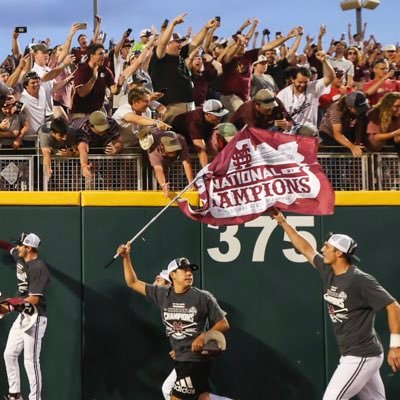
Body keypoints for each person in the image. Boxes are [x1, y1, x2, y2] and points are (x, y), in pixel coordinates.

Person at [270, 209, 400, 400]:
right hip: (358, 354)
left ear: (339, 253)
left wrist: (396, 346)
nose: (323, 249)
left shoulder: (359, 280)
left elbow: (393, 306)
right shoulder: (328, 271)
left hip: (361, 354)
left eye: (327, 247)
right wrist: (282, 222)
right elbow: (306, 248)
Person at [117, 244, 229, 400]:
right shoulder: (162, 294)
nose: (189, 273)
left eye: (191, 271)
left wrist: (204, 336)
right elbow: (133, 282)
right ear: (173, 275)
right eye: (184, 270)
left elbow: (223, 323)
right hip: (181, 358)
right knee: (202, 397)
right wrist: (126, 257)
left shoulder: (203, 297)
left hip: (194, 359)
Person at [0, 232, 50, 400]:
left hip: (35, 318)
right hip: (23, 316)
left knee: (31, 361)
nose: (17, 247)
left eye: (20, 245)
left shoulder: (39, 267)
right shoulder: (21, 257)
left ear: (28, 248)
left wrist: (8, 306)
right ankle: (15, 395)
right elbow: (8, 247)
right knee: (9, 354)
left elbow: (34, 299)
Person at [277, 53, 335, 126]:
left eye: (306, 82)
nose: (303, 85)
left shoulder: (314, 87)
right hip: (289, 135)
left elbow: (330, 77)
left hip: (309, 135)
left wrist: (324, 61)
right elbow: (277, 116)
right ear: (293, 80)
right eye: (300, 82)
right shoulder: (282, 94)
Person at [171, 99, 228, 167]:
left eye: (221, 114)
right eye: (218, 115)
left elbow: (211, 142)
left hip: (199, 134)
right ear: (208, 114)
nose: (220, 117)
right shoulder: (195, 122)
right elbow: (201, 150)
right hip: (179, 139)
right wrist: (206, 172)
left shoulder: (216, 118)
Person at [319, 91, 369, 156]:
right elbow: (337, 133)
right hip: (327, 135)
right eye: (358, 109)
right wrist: (352, 147)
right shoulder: (336, 108)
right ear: (349, 107)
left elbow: (359, 125)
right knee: (330, 158)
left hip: (346, 132)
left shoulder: (360, 109)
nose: (361, 110)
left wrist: (357, 143)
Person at [148, 130, 194, 197]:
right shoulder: (154, 152)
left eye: (175, 148)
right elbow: (158, 170)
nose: (174, 151)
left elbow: (186, 163)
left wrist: (191, 183)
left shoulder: (180, 140)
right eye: (171, 149)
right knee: (159, 176)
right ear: (162, 146)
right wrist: (163, 185)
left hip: (172, 155)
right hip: (152, 149)